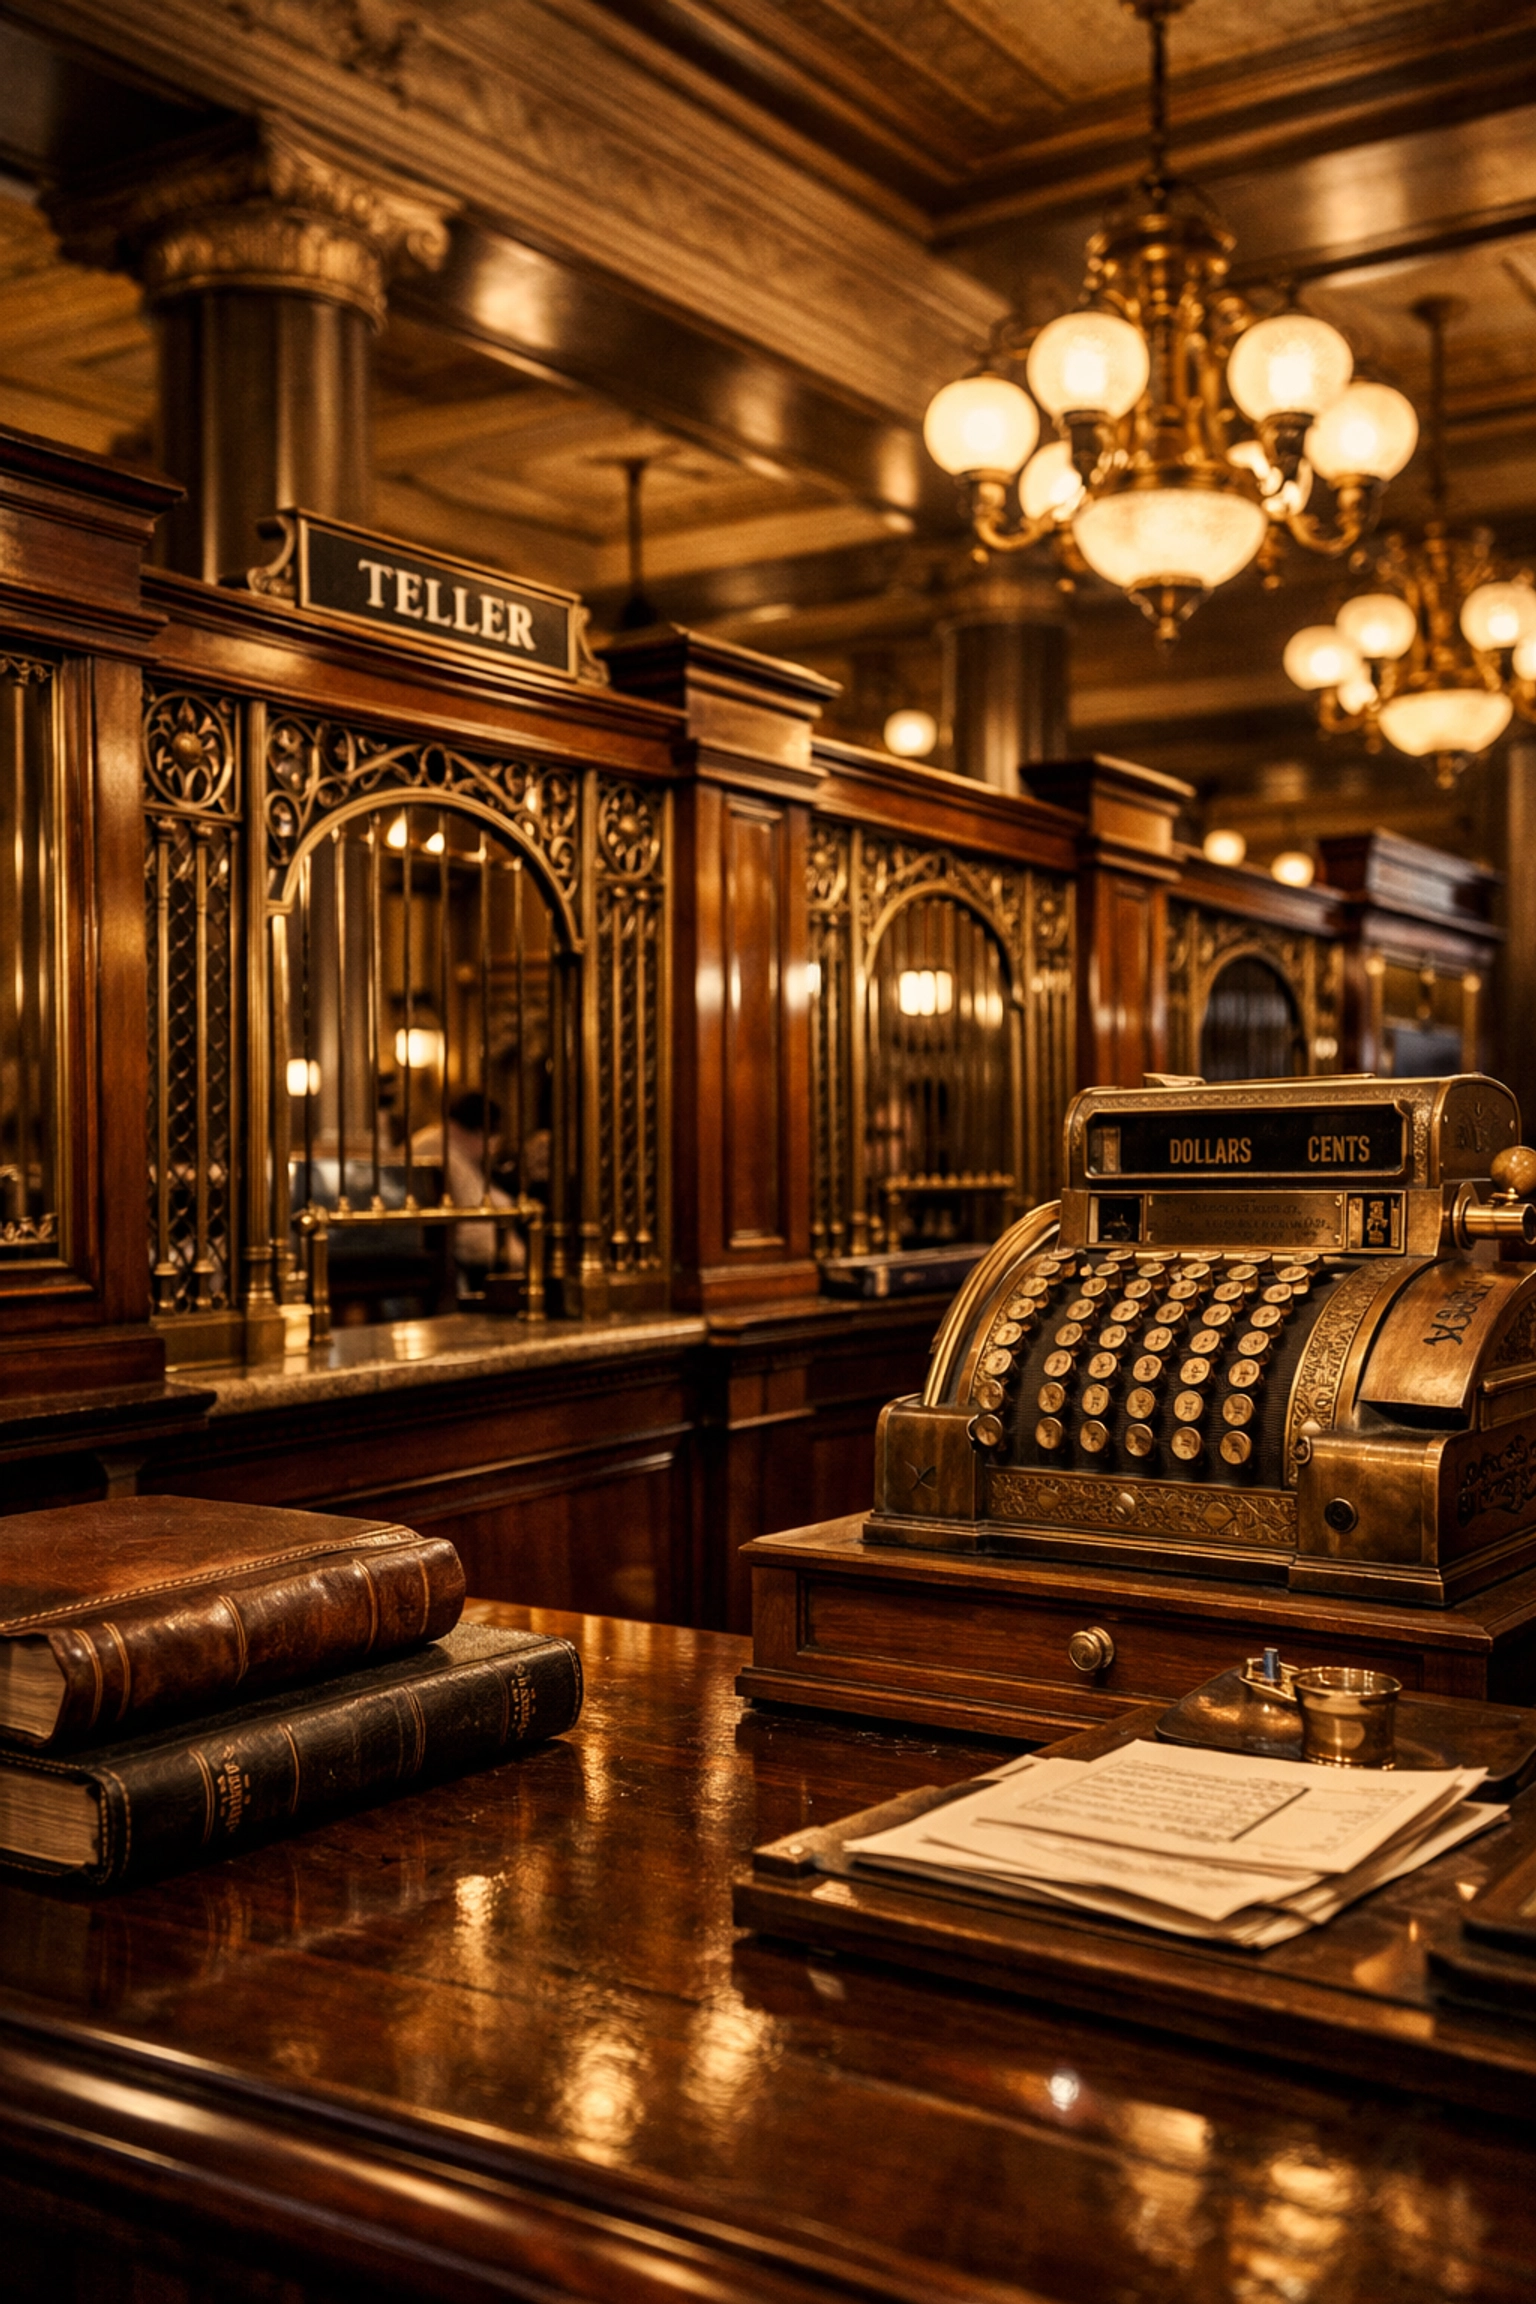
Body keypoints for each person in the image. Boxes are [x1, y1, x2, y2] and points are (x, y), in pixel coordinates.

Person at [409, 1091, 523, 1296]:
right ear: (477, 1132)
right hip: (459, 1264)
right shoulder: (436, 1149)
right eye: (491, 1137)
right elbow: (474, 1225)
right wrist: (519, 1257)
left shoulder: (447, 1146)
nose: (493, 1149)